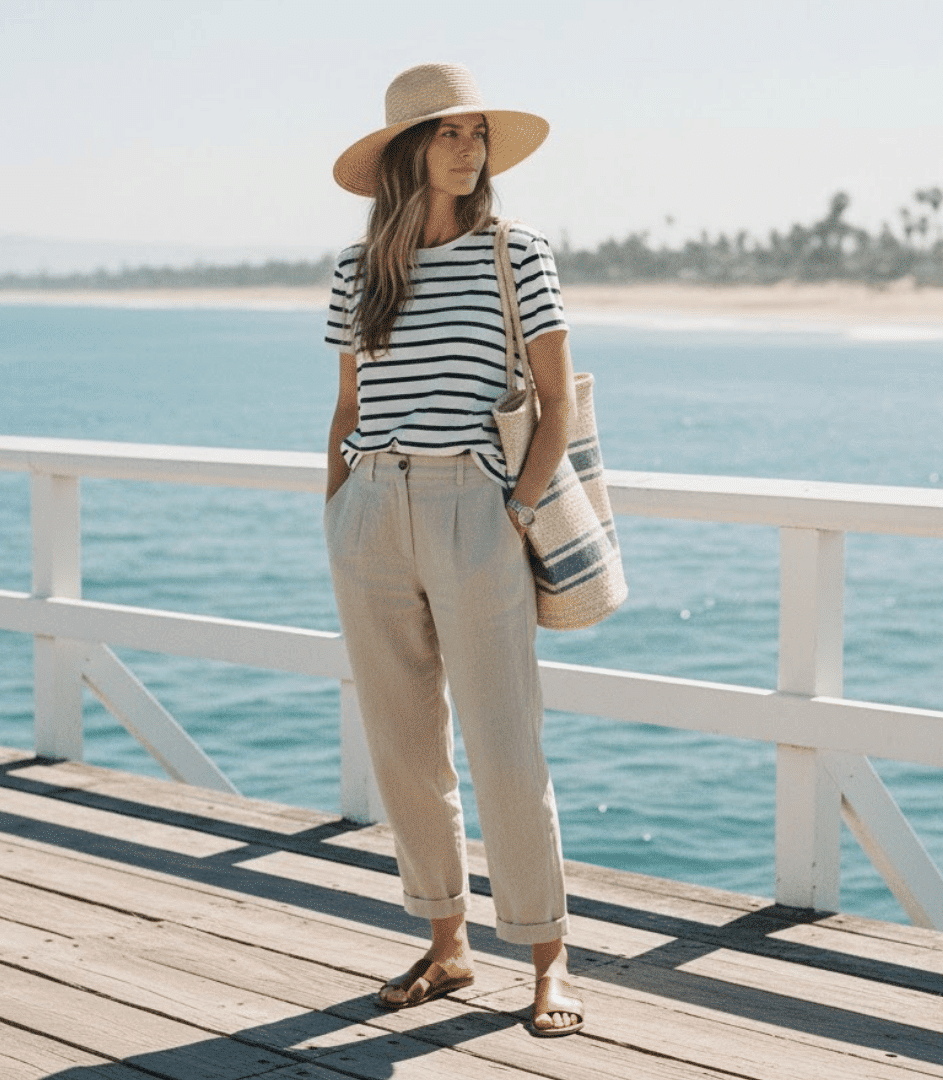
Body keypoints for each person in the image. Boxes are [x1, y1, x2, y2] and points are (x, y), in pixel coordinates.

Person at [322, 62, 584, 1037]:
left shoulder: (520, 256)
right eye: (449, 134)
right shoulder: (359, 271)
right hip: (371, 511)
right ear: (409, 154)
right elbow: (348, 407)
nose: (469, 150)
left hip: (473, 509)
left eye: (477, 134)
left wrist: (512, 509)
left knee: (506, 744)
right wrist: (338, 511)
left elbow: (555, 409)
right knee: (402, 746)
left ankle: (548, 961)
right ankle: (448, 945)